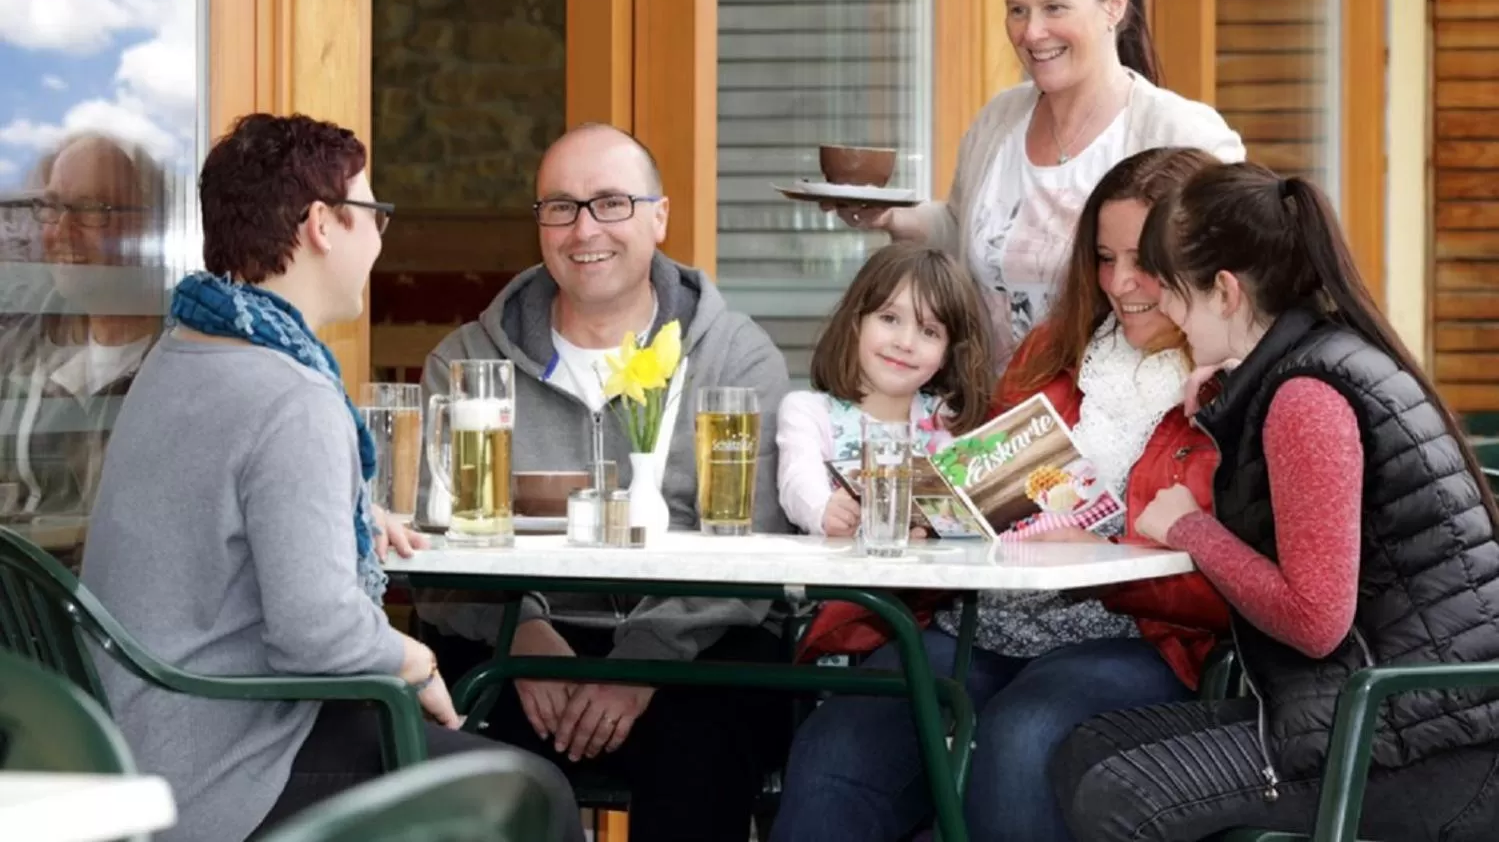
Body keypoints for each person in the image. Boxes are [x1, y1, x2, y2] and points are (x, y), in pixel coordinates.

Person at [79, 113, 582, 842]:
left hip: (141, 744)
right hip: (225, 772)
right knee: (533, 795)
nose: (380, 236)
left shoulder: (182, 353)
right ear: (322, 224)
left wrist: (339, 509)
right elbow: (316, 635)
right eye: (372, 212)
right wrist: (416, 658)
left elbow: (217, 505)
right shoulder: (289, 395)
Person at [773, 148, 1229, 842]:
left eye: (1143, 260)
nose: (1120, 283)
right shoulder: (1053, 346)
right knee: (839, 746)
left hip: (1139, 638)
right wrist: (935, 512)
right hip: (981, 620)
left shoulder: (1229, 380)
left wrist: (1105, 556)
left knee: (1020, 737)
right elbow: (977, 477)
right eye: (1103, 258)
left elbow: (1240, 582)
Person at [1052, 163, 1499, 841]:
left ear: (1224, 291)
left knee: (1119, 794)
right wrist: (1226, 400)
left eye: (1173, 292)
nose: (1166, 312)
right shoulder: (1317, 360)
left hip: (1429, 746)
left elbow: (1315, 619)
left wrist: (1190, 529)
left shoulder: (1304, 399)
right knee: (1085, 751)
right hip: (1391, 710)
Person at [417, 122, 793, 842]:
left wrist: (646, 658)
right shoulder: (465, 362)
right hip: (514, 646)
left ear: (659, 216)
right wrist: (521, 635)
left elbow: (759, 544)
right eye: (559, 206)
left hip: (695, 645)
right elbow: (434, 546)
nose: (584, 227)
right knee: (482, 777)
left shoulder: (733, 355)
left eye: (611, 202)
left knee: (700, 752)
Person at [831, 0, 1245, 373]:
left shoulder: (1180, 132)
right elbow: (962, 234)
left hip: (1127, 422)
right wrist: (891, 215)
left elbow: (1233, 281)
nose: (1031, 33)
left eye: (1054, 8)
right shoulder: (999, 120)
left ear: (1114, 5)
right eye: (1017, 10)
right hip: (997, 418)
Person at [0, 133, 167, 553]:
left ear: (146, 225)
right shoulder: (21, 354)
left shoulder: (182, 366)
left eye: (91, 209)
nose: (61, 231)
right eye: (53, 207)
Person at [777, 244, 993, 537]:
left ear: (947, 354)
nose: (905, 342)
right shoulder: (810, 412)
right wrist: (824, 510)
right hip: (837, 579)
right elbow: (797, 479)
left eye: (929, 332)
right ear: (856, 322)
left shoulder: (950, 425)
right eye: (890, 318)